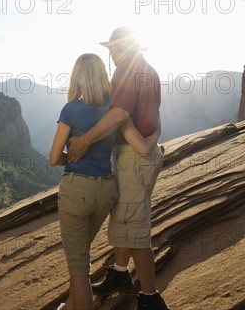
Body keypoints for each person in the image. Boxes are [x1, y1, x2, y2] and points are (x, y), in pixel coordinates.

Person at [67, 28, 169, 310]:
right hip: (144, 155)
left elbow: (120, 114)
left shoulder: (125, 72)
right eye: (111, 49)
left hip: (132, 158)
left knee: (134, 228)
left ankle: (151, 299)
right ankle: (120, 273)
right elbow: (156, 114)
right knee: (127, 218)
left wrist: (85, 140)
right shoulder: (150, 71)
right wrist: (153, 139)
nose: (113, 54)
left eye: (117, 48)